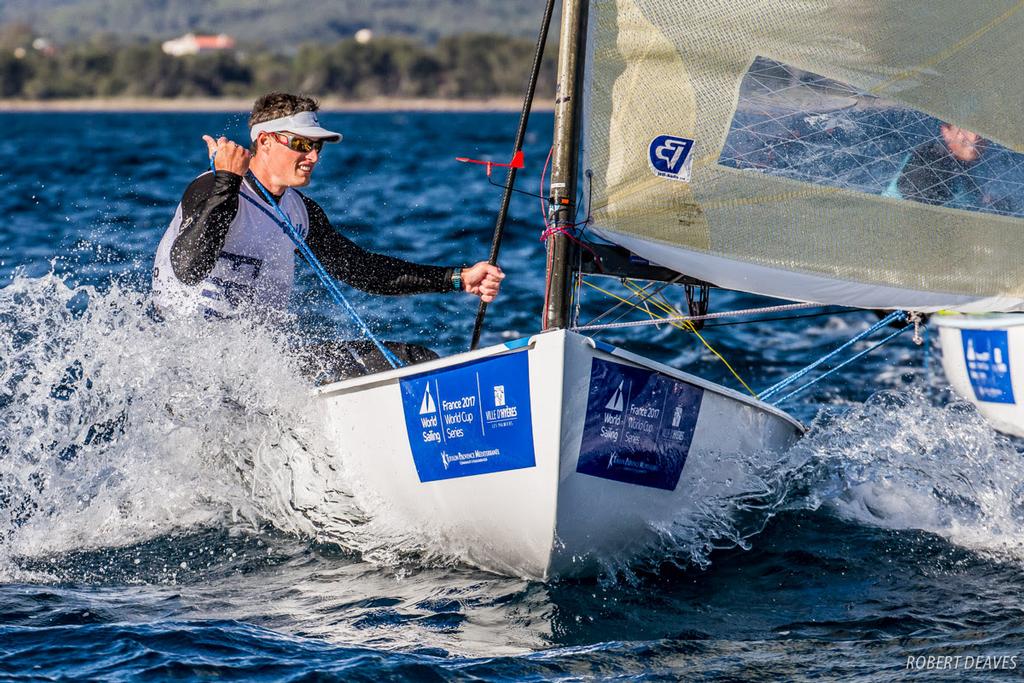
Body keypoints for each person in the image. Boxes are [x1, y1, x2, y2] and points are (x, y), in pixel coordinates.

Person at [153, 92, 504, 379]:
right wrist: (227, 181)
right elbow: (188, 269)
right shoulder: (210, 189)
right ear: (265, 141)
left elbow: (362, 269)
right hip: (190, 369)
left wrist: (457, 278)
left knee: (416, 359)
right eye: (301, 144)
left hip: (258, 371)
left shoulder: (300, 212)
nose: (313, 156)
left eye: (319, 147)